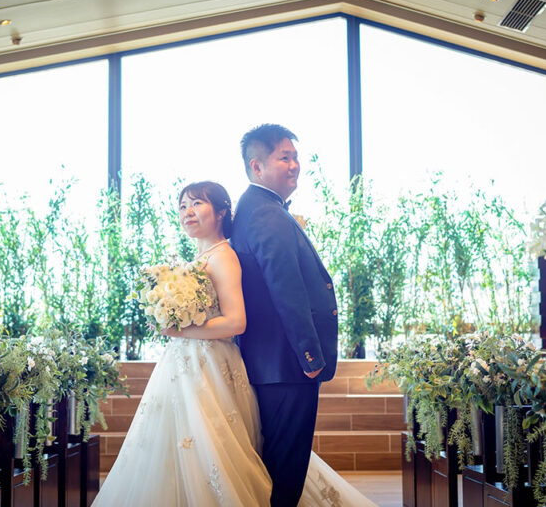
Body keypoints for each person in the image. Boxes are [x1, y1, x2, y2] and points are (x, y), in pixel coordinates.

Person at [94, 180, 374, 507]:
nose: (188, 212)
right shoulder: (199, 258)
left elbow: (236, 322)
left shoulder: (224, 256)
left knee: (214, 448)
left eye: (197, 204)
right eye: (183, 206)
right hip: (184, 366)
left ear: (222, 211)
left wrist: (179, 328)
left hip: (211, 367)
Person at [231, 124, 339, 507]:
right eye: (284, 157)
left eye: (295, 156)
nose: (295, 165)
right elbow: (286, 289)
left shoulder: (257, 208)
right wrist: (309, 355)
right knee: (285, 471)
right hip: (286, 365)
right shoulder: (266, 213)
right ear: (257, 166)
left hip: (273, 364)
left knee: (279, 465)